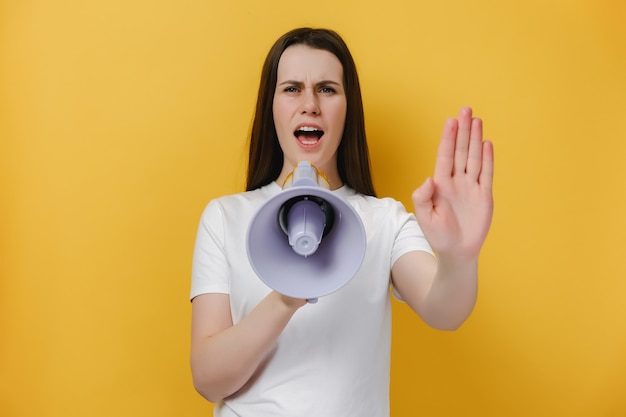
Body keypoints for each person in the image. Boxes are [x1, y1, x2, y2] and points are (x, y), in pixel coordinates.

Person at [190, 27, 494, 417]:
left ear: (348, 108)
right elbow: (207, 378)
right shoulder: (225, 217)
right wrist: (286, 297)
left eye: (328, 89)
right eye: (292, 88)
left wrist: (458, 256)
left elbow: (445, 311)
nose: (310, 104)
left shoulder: (384, 220)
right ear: (272, 106)